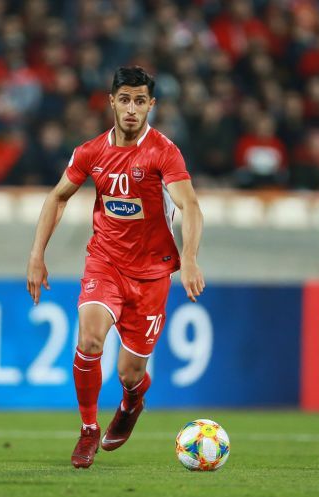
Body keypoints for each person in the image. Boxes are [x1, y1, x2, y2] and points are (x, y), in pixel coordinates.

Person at [26, 67, 204, 469]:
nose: (131, 109)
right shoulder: (90, 152)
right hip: (105, 262)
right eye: (124, 100)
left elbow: (190, 205)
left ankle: (132, 402)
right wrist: (37, 254)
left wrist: (190, 257)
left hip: (153, 273)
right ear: (112, 102)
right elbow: (57, 197)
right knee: (90, 339)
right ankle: (88, 429)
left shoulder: (163, 152)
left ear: (150, 105)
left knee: (130, 372)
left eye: (140, 101)